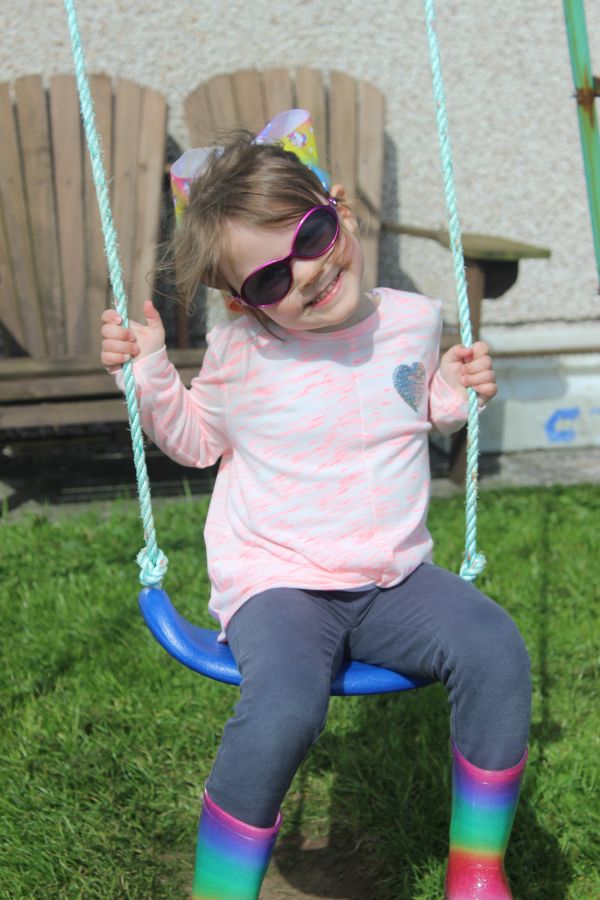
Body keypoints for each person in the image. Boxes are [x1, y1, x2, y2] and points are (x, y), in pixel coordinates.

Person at [100, 112, 531, 900]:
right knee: (287, 705)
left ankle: (476, 869)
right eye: (269, 279)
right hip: (280, 582)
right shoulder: (242, 353)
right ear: (246, 303)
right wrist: (151, 372)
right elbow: (196, 441)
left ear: (341, 211)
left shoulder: (413, 322)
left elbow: (412, 408)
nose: (304, 273)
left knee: (496, 648)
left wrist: (453, 391)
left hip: (393, 578)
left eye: (312, 235)